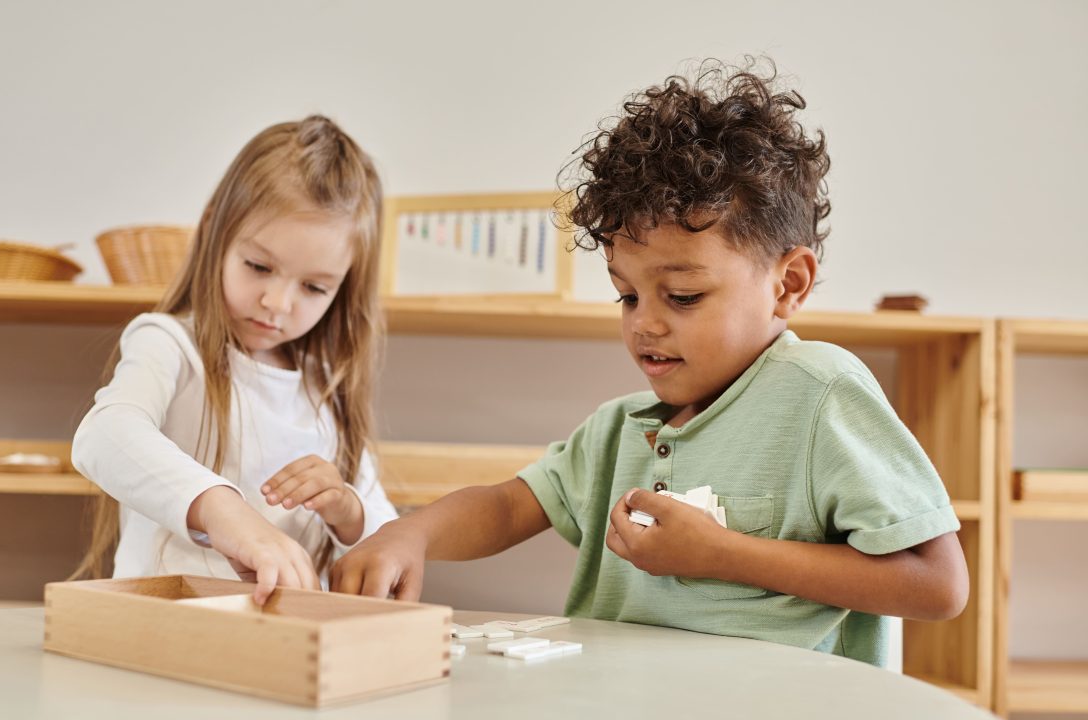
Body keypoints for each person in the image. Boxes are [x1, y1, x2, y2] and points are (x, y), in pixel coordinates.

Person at [331, 59, 968, 666]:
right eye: (627, 295)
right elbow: (504, 507)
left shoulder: (821, 393)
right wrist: (408, 535)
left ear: (788, 283)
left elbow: (937, 584)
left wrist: (724, 555)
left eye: (684, 296)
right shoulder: (618, 430)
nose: (645, 323)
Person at [72, 116, 396, 603]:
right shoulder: (170, 344)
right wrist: (221, 510)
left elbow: (385, 532)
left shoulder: (325, 389)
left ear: (342, 290)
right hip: (165, 636)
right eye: (259, 266)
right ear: (215, 236)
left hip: (279, 646)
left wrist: (348, 510)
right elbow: (104, 435)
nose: (278, 303)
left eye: (313, 287)